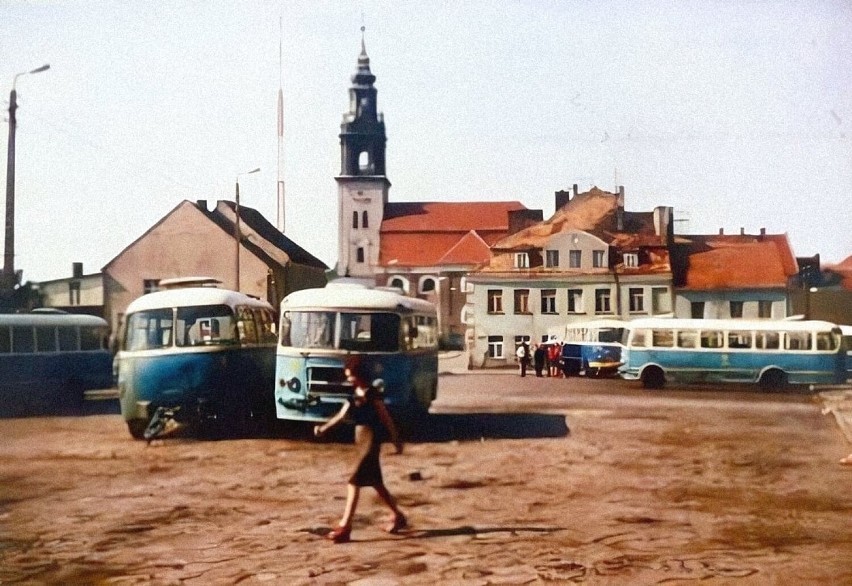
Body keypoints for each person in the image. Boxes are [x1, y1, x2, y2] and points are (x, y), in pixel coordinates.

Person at [313, 359, 406, 544]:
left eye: (351, 375)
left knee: (354, 482)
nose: (349, 379)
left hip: (372, 439)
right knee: (376, 483)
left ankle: (345, 527)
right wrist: (323, 428)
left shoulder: (372, 394)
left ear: (359, 374)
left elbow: (385, 417)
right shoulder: (353, 395)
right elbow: (341, 416)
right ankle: (398, 515)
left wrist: (395, 439)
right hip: (360, 438)